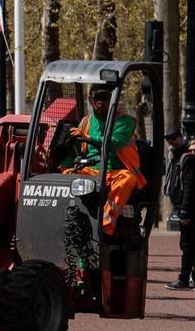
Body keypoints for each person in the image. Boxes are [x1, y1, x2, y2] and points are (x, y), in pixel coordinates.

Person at [54, 84, 146, 235]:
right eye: (97, 98)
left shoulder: (124, 121)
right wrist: (62, 166)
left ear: (112, 100)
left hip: (116, 172)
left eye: (105, 98)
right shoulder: (85, 122)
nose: (101, 101)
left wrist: (88, 138)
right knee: (63, 177)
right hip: (90, 170)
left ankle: (106, 226)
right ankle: (65, 224)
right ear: (90, 100)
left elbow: (114, 141)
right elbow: (75, 151)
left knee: (128, 179)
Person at [168, 138, 195, 290]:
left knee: (188, 246)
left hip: (193, 213)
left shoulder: (192, 164)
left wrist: (184, 212)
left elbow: (188, 189)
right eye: (190, 150)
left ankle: (184, 279)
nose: (193, 153)